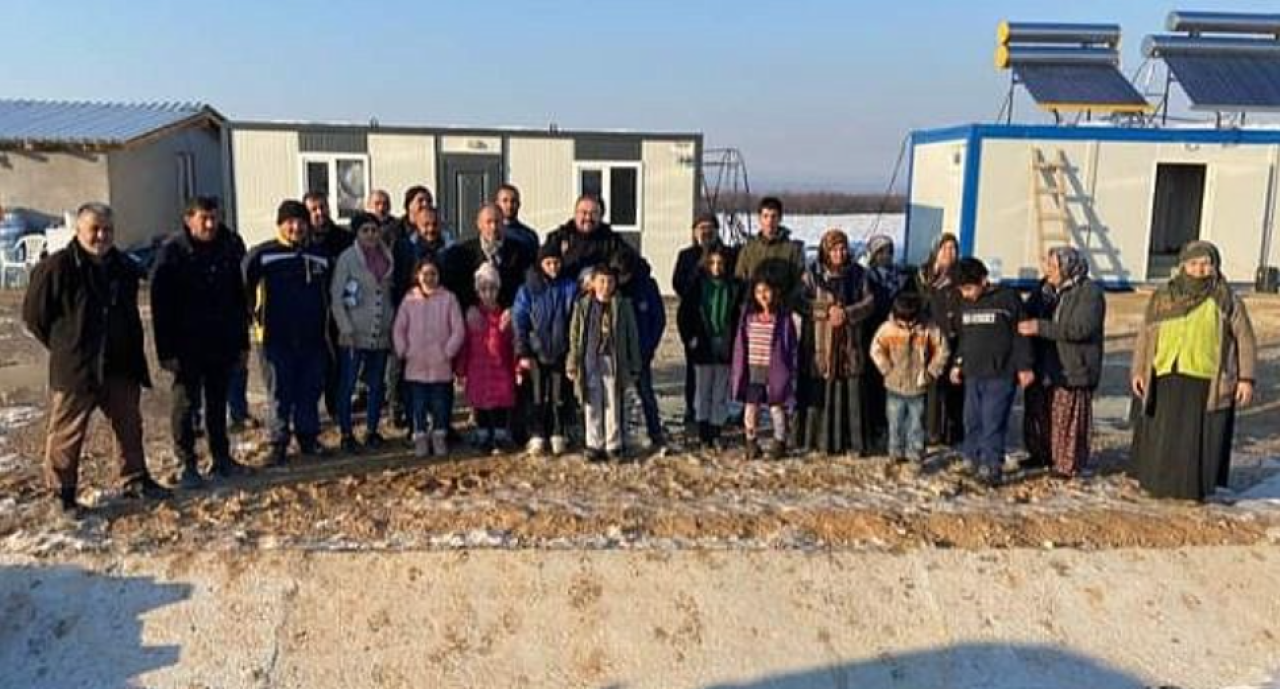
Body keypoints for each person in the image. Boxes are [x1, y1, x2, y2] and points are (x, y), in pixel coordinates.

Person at [22, 203, 171, 516]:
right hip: (78, 366)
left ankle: (134, 478)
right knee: (66, 432)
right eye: (95, 229)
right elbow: (34, 316)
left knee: (129, 425)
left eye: (108, 230)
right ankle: (61, 493)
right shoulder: (57, 268)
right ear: (79, 230)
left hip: (120, 362)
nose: (102, 236)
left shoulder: (123, 266)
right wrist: (66, 345)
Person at [1128, 241, 1256, 501]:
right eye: (1193, 263)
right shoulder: (1163, 296)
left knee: (1193, 440)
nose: (1199, 269)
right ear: (1183, 265)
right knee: (1163, 434)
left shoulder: (1225, 298)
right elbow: (1146, 334)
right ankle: (1158, 485)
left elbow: (1245, 338)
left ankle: (1190, 491)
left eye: (1205, 264)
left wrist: (1246, 378)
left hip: (1204, 377)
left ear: (1215, 266)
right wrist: (1139, 370)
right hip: (1166, 371)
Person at [150, 196, 252, 488]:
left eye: (214, 218)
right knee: (185, 404)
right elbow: (160, 306)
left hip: (222, 339)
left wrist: (242, 344)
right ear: (188, 220)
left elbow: (239, 298)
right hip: (186, 344)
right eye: (203, 218)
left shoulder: (230, 245)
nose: (210, 224)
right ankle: (186, 462)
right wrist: (165, 351)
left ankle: (221, 456)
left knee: (218, 402)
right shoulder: (172, 252)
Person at [243, 200, 333, 466]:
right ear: (280, 224)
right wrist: (251, 317)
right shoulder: (262, 255)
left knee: (309, 389)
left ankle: (308, 437)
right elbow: (243, 289)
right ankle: (278, 442)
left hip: (312, 335)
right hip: (275, 336)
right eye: (290, 222)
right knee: (279, 392)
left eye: (301, 222)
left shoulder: (319, 256)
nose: (296, 227)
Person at [1018, 247, 1106, 477]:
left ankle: (1067, 464)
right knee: (1040, 411)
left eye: (1054, 266)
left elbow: (1081, 328)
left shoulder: (1089, 292)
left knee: (1067, 418)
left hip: (1073, 365)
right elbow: (1027, 311)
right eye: (1047, 265)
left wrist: (1040, 327)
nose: (1048, 271)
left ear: (1068, 268)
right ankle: (1040, 454)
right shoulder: (1044, 289)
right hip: (1044, 363)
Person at [952, 258, 1034, 486]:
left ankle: (991, 466)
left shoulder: (1007, 298)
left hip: (1001, 373)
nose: (966, 294)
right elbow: (963, 338)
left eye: (969, 288)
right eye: (962, 290)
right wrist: (957, 363)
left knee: (993, 420)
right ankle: (971, 457)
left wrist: (1025, 366)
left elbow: (1021, 335)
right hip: (973, 372)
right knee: (971, 419)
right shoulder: (964, 304)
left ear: (983, 280)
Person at [799, 229, 875, 456]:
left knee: (851, 393)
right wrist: (826, 310)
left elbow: (869, 302)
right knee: (821, 390)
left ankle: (853, 443)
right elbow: (799, 301)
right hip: (821, 341)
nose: (839, 254)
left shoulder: (858, 274)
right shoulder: (813, 274)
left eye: (842, 249)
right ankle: (818, 441)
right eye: (834, 249)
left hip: (849, 343)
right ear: (825, 250)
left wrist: (847, 313)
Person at [330, 212, 396, 453]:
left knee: (377, 384)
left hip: (380, 331)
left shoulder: (387, 256)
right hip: (354, 332)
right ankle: (346, 432)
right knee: (348, 384)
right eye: (365, 230)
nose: (370, 235)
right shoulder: (347, 259)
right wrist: (345, 328)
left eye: (374, 230)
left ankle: (372, 429)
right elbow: (337, 296)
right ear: (356, 234)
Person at [567, 264, 641, 462]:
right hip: (590, 359)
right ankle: (594, 443)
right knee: (592, 401)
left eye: (609, 281)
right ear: (593, 283)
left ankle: (613, 444)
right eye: (601, 281)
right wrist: (573, 361)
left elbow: (632, 336)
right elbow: (574, 335)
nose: (605, 286)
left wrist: (635, 364)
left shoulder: (622, 306)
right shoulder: (583, 306)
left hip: (613, 360)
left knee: (612, 401)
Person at [393, 257, 465, 458]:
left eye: (433, 274)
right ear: (418, 275)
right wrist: (403, 350)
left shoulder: (448, 298)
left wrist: (448, 351)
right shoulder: (409, 299)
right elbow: (399, 328)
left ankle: (439, 436)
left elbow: (458, 329)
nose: (429, 278)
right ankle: (420, 437)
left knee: (441, 405)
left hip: (440, 365)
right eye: (425, 274)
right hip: (415, 365)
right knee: (417, 406)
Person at [513, 241, 579, 457]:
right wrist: (523, 351)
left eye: (556, 262)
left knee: (559, 395)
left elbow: (575, 317)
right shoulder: (528, 289)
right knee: (536, 395)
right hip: (536, 352)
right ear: (541, 264)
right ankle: (536, 433)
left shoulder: (568, 287)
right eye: (548, 263)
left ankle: (558, 431)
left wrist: (572, 350)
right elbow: (520, 321)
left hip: (560, 351)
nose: (553, 267)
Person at [390, 203, 450, 429]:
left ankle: (442, 424)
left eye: (434, 224)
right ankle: (414, 422)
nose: (430, 229)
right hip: (412, 317)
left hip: (441, 319)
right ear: (416, 224)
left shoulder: (449, 249)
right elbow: (397, 283)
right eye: (425, 225)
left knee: (441, 376)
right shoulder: (404, 248)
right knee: (411, 375)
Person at [673, 212, 736, 426]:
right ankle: (694, 410)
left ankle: (718, 415)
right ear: (694, 232)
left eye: (710, 228)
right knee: (696, 371)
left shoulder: (728, 254)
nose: (706, 232)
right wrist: (699, 266)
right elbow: (679, 286)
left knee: (721, 373)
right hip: (697, 324)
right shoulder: (686, 256)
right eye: (701, 228)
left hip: (722, 325)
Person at [871, 292, 949, 464]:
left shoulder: (929, 328)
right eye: (902, 322)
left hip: (918, 387)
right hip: (894, 386)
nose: (906, 326)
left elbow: (942, 351)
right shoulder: (887, 329)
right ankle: (895, 451)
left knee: (916, 423)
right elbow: (876, 349)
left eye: (911, 321)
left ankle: (915, 451)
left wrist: (931, 372)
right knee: (895, 422)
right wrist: (886, 369)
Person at [676, 245, 741, 449]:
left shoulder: (733, 288)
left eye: (720, 263)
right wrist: (690, 338)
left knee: (720, 391)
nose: (716, 267)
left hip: (725, 343)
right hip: (703, 343)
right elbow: (684, 315)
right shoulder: (697, 287)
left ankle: (716, 430)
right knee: (702, 390)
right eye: (712, 263)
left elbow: (738, 316)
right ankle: (703, 431)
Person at [731, 279, 800, 461]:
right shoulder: (749, 317)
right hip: (754, 370)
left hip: (775, 371)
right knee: (751, 408)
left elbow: (791, 345)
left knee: (776, 408)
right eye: (758, 291)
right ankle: (751, 441)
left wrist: (790, 367)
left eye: (766, 291)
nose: (763, 296)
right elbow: (741, 343)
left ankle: (779, 441)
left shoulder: (782, 319)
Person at [457, 264, 517, 454]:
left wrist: (517, 368)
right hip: (478, 370)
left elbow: (513, 344)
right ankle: (482, 435)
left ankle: (500, 436)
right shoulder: (473, 316)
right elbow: (465, 344)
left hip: (501, 369)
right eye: (483, 289)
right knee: (480, 404)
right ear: (477, 291)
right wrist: (461, 369)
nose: (488, 294)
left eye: (492, 289)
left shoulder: (504, 316)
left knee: (500, 404)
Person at [862, 234, 910, 450]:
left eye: (889, 251)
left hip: (898, 337)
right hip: (873, 335)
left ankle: (895, 428)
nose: (886, 256)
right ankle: (875, 427)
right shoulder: (866, 277)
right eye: (880, 251)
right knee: (874, 385)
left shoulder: (902, 277)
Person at [916, 233, 964, 447]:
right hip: (927, 338)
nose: (948, 253)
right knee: (931, 385)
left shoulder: (960, 277)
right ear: (935, 250)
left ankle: (952, 433)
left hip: (954, 337)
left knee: (954, 386)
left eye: (953, 248)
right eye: (944, 248)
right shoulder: (922, 275)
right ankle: (930, 431)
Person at [442, 204, 534, 310]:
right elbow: (459, 288)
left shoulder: (519, 251)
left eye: (497, 222)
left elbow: (525, 286)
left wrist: (514, 309)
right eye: (489, 222)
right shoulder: (463, 252)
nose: (493, 227)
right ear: (479, 224)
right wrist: (470, 309)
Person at [618, 257, 667, 450]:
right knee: (617, 396)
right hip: (618, 351)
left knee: (645, 393)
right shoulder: (613, 287)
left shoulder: (647, 286)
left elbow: (659, 319)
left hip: (641, 350)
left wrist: (649, 347)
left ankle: (655, 432)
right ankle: (618, 434)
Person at [545, 195, 639, 282]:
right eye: (584, 212)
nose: (588, 218)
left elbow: (627, 264)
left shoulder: (611, 240)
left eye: (594, 213)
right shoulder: (559, 237)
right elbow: (543, 264)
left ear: (600, 216)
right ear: (575, 214)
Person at [734, 197, 805, 309]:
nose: (769, 221)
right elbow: (740, 280)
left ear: (780, 218)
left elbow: (799, 283)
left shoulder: (792, 249)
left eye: (774, 216)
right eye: (765, 216)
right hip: (754, 309)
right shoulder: (748, 249)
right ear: (759, 218)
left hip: (783, 309)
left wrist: (787, 304)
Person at [494, 184, 540, 255]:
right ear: (497, 204)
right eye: (505, 201)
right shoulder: (490, 234)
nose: (509, 205)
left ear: (519, 204)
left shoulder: (529, 236)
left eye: (513, 201)